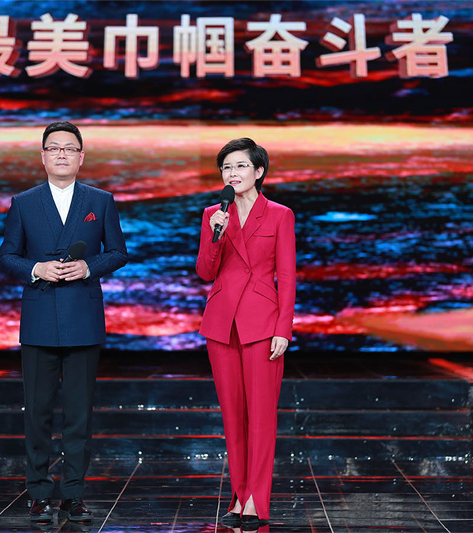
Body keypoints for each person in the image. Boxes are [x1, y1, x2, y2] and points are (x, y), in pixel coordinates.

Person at [0, 121, 128, 523]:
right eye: (54, 148)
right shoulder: (24, 202)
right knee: (36, 413)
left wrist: (88, 266)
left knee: (78, 414)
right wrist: (35, 268)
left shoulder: (100, 201)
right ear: (42, 156)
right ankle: (38, 493)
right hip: (38, 318)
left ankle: (73, 495)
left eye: (69, 148)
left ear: (81, 157)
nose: (61, 154)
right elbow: (7, 255)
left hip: (82, 318)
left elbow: (118, 252)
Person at [196, 138, 296, 529]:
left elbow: (286, 275)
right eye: (226, 167)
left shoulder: (280, 215)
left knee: (261, 417)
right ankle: (239, 496)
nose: (232, 173)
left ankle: (256, 500)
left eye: (240, 166)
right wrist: (216, 235)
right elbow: (205, 271)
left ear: (259, 171)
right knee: (233, 417)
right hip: (222, 324)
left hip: (262, 324)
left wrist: (283, 328)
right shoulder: (213, 215)